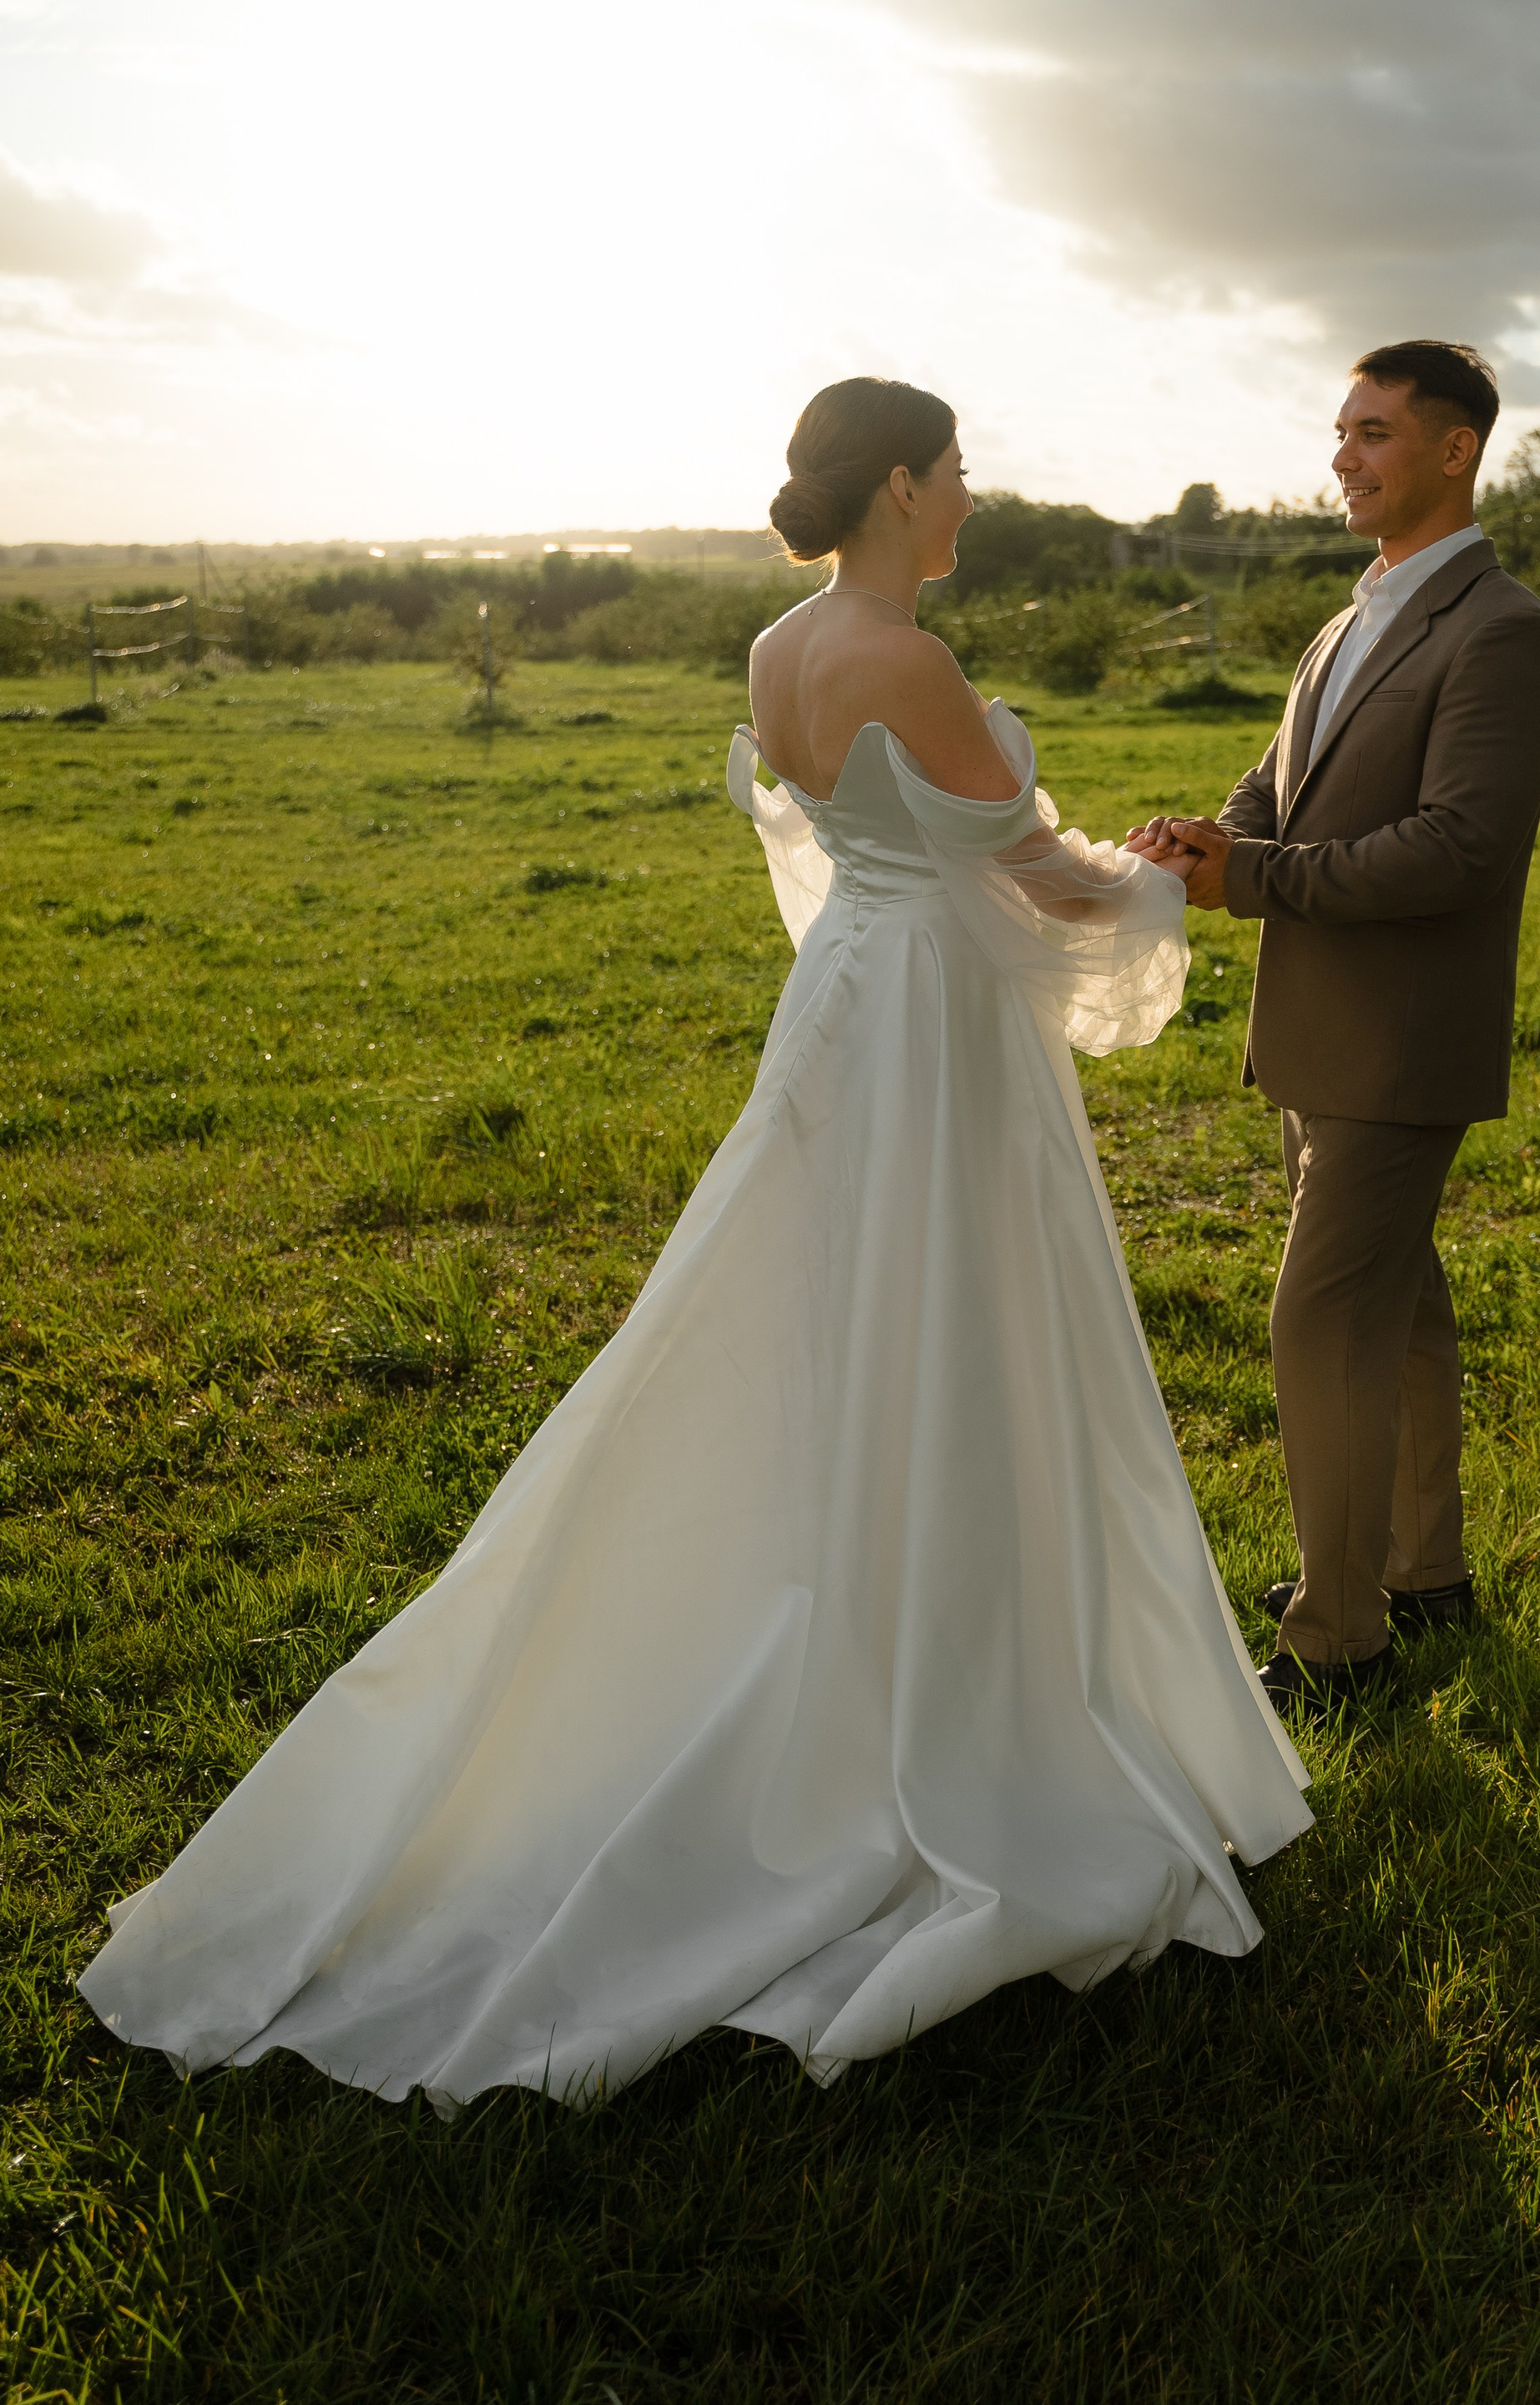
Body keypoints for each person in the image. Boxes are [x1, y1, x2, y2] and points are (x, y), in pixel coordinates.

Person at [79, 377, 1311, 2107]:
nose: (969, 492)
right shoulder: (911, 663)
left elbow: (856, 847)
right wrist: (1169, 872)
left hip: (849, 1009)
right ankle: (946, 1695)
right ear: (895, 486)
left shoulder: (776, 647)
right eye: (954, 469)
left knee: (822, 1312)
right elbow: (1043, 879)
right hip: (937, 1035)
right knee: (954, 1324)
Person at [1131, 341, 1540, 1725]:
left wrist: (1248, 880)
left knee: (1321, 1315)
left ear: (1456, 451)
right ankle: (1421, 1570)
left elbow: (1459, 848)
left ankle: (1339, 1640)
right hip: (1315, 1029)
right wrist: (1214, 836)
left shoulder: (1504, 630)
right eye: (1340, 429)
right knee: (1402, 1307)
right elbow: (1277, 787)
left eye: (1373, 431)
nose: (1343, 455)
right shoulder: (1349, 618)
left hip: (1402, 1043)